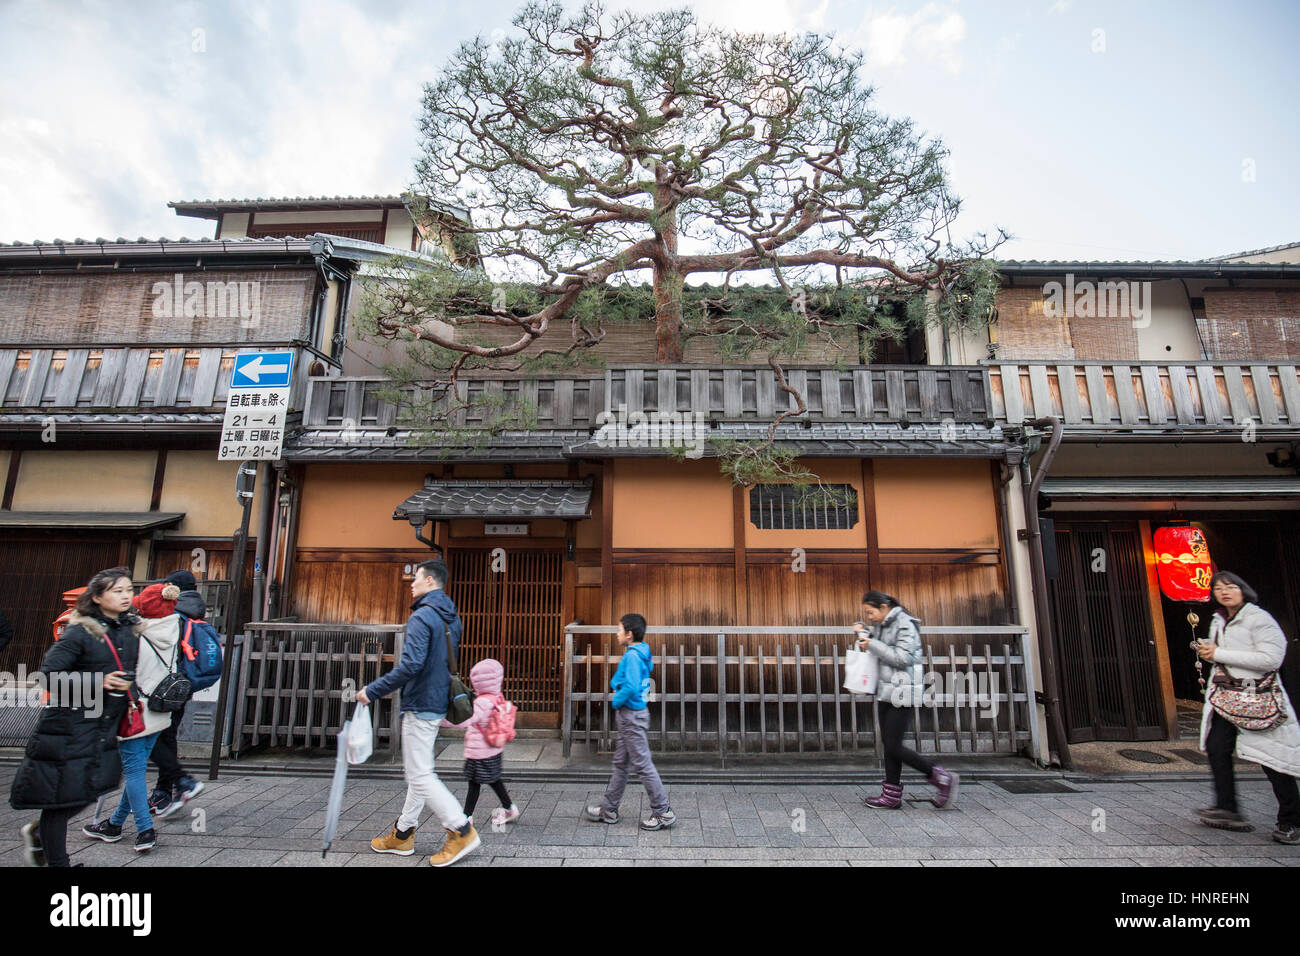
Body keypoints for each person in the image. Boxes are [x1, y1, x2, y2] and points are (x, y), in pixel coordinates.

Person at [10, 568, 136, 867]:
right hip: (68, 727)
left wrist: (130, 696)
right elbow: (49, 676)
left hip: (102, 727)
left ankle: (40, 835)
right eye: (117, 590)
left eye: (129, 590)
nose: (126, 595)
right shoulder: (80, 631)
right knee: (62, 798)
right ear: (96, 597)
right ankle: (58, 863)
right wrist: (99, 682)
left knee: (95, 788)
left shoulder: (127, 630)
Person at [359, 559, 480, 867]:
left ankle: (461, 829)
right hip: (438, 699)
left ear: (430, 582)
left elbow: (411, 665)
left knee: (420, 774)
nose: (411, 583)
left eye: (417, 578)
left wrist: (372, 691)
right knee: (419, 771)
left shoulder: (422, 617)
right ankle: (403, 834)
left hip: (421, 700)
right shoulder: (451, 618)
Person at [1196, 571, 1300, 843]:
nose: (1225, 592)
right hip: (1227, 698)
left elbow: (1271, 659)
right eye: (1218, 588)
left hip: (1258, 699)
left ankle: (1291, 821)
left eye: (1230, 587)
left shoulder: (1259, 619)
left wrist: (1218, 653)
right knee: (1217, 747)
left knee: (1272, 759)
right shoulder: (1219, 620)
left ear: (1244, 590)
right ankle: (1228, 808)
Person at [82, 582, 181, 852]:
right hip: (162, 711)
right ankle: (114, 825)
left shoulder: (136, 636)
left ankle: (145, 830)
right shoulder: (173, 629)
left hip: (135, 712)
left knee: (134, 772)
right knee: (137, 770)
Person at [856, 590, 959, 810]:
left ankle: (941, 777)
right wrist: (864, 633)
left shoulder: (905, 624)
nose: (870, 617)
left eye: (870, 612)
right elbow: (879, 646)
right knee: (890, 744)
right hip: (886, 690)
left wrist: (871, 644)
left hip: (903, 691)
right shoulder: (883, 624)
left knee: (893, 745)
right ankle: (891, 795)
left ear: (883, 607)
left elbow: (902, 658)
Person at [586, 613, 675, 830]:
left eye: (619, 630)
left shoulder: (633, 656)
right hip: (634, 715)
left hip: (631, 715)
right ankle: (609, 808)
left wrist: (616, 700)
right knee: (621, 764)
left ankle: (663, 811)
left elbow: (632, 686)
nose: (616, 634)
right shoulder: (638, 652)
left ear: (629, 633)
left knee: (642, 765)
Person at [147, 569, 206, 818]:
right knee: (166, 736)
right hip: (182, 686)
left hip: (161, 685)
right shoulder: (195, 610)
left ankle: (174, 785)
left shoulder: (172, 613)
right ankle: (168, 788)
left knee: (152, 738)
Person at [443, 658, 520, 827]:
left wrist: (441, 720)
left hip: (479, 751)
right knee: (494, 780)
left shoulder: (481, 703)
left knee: (475, 784)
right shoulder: (497, 697)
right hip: (493, 749)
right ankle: (509, 808)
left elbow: (464, 720)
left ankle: (466, 817)